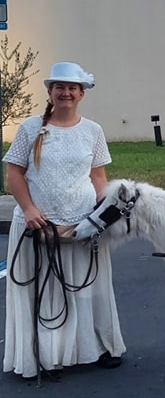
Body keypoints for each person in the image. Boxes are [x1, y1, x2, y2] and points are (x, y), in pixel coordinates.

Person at [3, 61, 125, 379]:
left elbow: (98, 177)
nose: (66, 92)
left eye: (72, 88)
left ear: (81, 94)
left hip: (81, 225)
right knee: (46, 292)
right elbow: (13, 174)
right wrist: (29, 210)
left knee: (88, 289)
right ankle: (49, 355)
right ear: (50, 92)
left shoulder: (93, 131)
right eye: (60, 87)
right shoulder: (30, 129)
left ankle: (97, 347)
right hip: (38, 226)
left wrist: (103, 215)